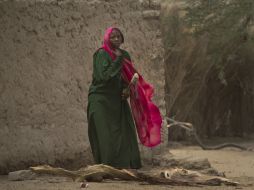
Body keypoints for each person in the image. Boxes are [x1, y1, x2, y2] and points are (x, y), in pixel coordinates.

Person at [87, 27, 142, 169]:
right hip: (100, 99)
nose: (117, 39)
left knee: (124, 131)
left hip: (117, 99)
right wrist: (118, 60)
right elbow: (103, 77)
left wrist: (126, 90)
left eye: (119, 36)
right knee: (104, 135)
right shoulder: (101, 54)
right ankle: (105, 167)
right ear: (107, 39)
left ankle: (123, 167)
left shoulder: (125, 55)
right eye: (113, 37)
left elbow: (126, 77)